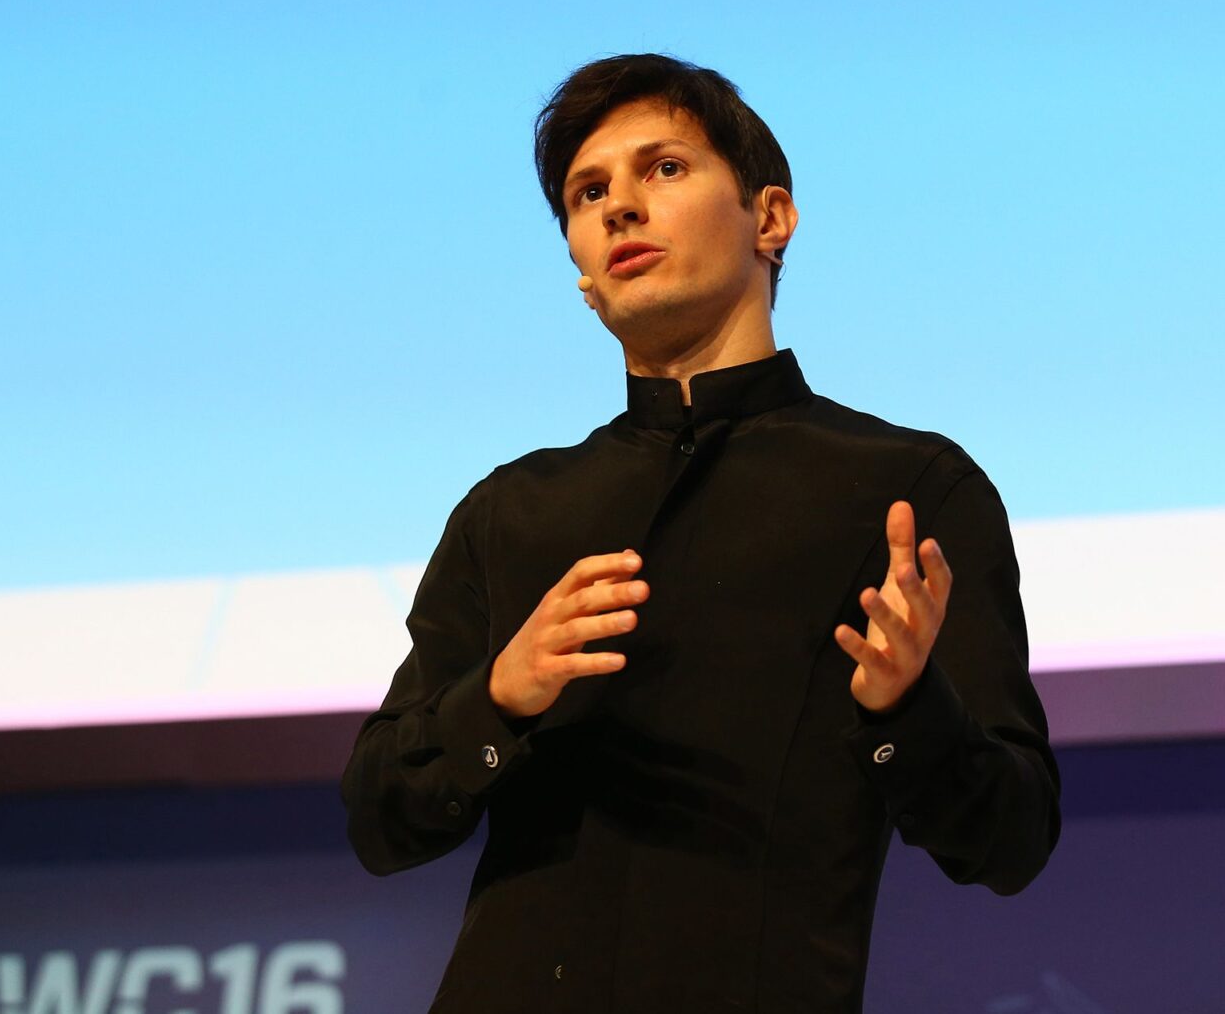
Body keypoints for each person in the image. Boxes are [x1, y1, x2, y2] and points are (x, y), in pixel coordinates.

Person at [341, 53, 1060, 1014]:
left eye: (665, 168)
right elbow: (379, 821)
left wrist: (908, 710)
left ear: (771, 218)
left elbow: (1013, 840)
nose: (619, 207)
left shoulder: (908, 491)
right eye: (588, 192)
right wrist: (502, 695)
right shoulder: (511, 510)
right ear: (581, 274)